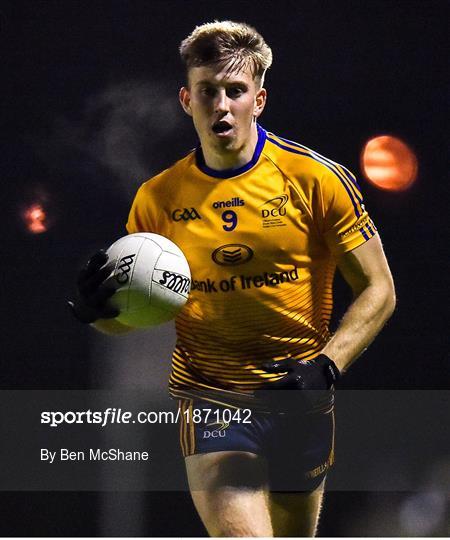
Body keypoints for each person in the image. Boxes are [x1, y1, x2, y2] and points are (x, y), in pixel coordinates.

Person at [70, 21, 396, 537]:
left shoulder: (316, 179)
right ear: (187, 99)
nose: (221, 105)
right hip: (213, 399)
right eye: (208, 91)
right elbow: (133, 317)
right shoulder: (157, 199)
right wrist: (99, 313)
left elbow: (380, 290)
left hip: (300, 397)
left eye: (235, 91)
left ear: (258, 99)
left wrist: (327, 367)